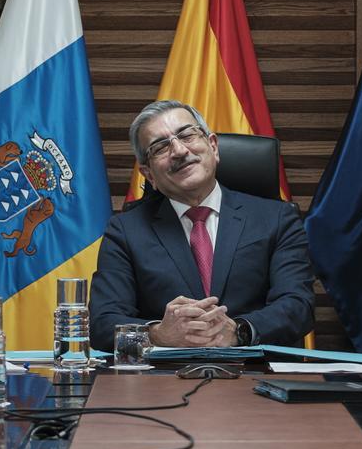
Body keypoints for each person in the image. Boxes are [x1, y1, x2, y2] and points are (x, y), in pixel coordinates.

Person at [89, 100, 314, 350]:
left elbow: (298, 305)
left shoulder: (277, 218)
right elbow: (102, 322)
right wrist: (157, 334)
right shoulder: (125, 231)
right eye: (160, 146)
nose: (179, 151)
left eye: (186, 135)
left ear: (213, 146)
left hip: (255, 375)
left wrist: (239, 331)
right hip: (162, 382)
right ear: (149, 174)